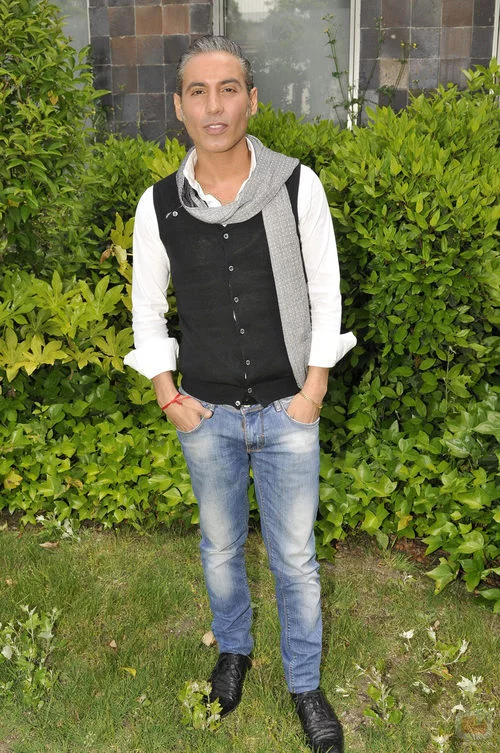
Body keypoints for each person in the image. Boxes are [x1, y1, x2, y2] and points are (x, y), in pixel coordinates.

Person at [124, 35, 356, 753]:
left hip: (290, 410)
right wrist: (169, 396)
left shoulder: (296, 186)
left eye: (228, 89)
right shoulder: (159, 205)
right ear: (179, 107)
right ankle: (233, 652)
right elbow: (146, 310)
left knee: (295, 558)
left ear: (251, 100)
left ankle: (305, 684)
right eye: (198, 91)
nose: (214, 105)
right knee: (222, 547)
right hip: (207, 413)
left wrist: (313, 389)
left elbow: (325, 292)